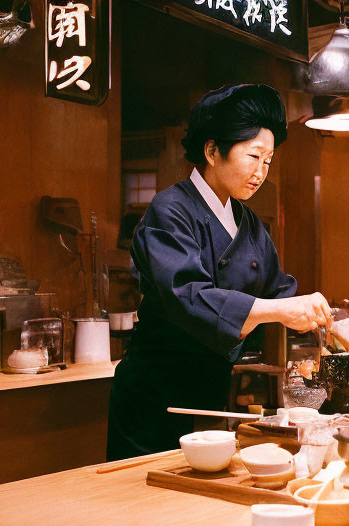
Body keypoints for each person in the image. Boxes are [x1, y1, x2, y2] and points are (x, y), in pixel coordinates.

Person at [106, 84, 334, 460]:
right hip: (154, 393)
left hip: (210, 392)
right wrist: (278, 311)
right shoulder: (170, 210)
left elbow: (280, 293)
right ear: (212, 151)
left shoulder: (249, 223)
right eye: (253, 156)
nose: (261, 172)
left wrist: (321, 317)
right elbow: (189, 297)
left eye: (268, 161)